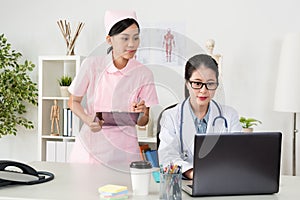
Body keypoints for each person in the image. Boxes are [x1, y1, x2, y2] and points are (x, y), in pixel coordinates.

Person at [67, 10, 158, 170]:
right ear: (109, 40)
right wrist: (88, 120)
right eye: (125, 38)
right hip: (92, 148)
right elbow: (73, 101)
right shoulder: (92, 65)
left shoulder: (144, 74)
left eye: (136, 38)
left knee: (125, 193)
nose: (132, 44)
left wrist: (142, 112)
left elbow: (143, 121)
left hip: (125, 151)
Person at [158, 54, 242, 179]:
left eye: (210, 83)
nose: (203, 90)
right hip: (185, 183)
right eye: (197, 83)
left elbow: (238, 154)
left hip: (222, 181)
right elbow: (167, 156)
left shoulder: (229, 115)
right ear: (187, 83)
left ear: (217, 85)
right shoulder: (171, 116)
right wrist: (193, 174)